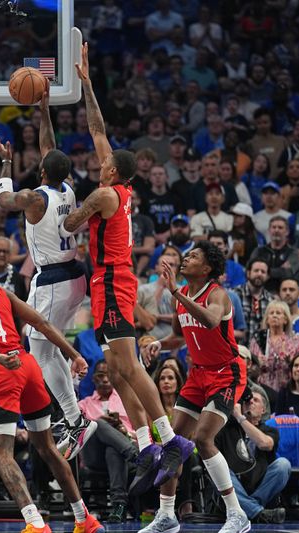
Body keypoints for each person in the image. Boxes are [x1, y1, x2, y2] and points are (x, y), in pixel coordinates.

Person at [63, 42, 194, 500]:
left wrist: (59, 198)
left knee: (129, 365)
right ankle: (146, 446)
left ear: (114, 170)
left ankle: (170, 440)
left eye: (103, 162)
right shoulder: (114, 179)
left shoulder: (104, 195)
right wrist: (87, 84)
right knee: (114, 370)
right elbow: (97, 128)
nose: (98, 160)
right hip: (105, 282)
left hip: (115, 280)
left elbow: (68, 222)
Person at [0, 234, 103, 533]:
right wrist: (73, 354)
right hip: (28, 365)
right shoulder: (1, 293)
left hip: (1, 370)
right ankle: (85, 519)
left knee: (1, 456)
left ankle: (35, 523)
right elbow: (42, 323)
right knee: (48, 448)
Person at [0, 89, 96, 460]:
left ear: (40, 172)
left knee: (39, 348)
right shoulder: (67, 186)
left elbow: (3, 201)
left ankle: (75, 419)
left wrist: (5, 165)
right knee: (45, 348)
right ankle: (74, 418)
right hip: (73, 275)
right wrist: (44, 109)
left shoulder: (35, 198)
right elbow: (49, 148)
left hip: (54, 278)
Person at [144, 241, 251, 533]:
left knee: (203, 439)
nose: (186, 258)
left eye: (193, 256)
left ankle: (237, 514)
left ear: (206, 268)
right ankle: (166, 515)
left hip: (226, 373)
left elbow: (211, 320)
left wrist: (176, 291)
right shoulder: (182, 298)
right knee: (173, 442)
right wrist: (157, 343)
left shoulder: (218, 294)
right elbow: (180, 338)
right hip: (198, 373)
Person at [78, 361, 138, 523]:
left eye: (108, 375)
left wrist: (123, 430)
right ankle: (137, 457)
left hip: (122, 452)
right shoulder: (83, 404)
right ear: (93, 379)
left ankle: (119, 506)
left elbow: (139, 431)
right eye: (100, 375)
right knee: (97, 424)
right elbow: (77, 433)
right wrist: (98, 424)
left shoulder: (126, 401)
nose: (105, 379)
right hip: (93, 456)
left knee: (113, 450)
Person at [221, 390, 290, 524]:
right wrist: (234, 415)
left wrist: (240, 418)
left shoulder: (270, 430)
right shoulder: (227, 429)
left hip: (261, 484)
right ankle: (258, 512)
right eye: (248, 400)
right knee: (219, 470)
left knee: (283, 464)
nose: (251, 401)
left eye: (256, 400)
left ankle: (248, 509)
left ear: (263, 410)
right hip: (235, 484)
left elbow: (265, 444)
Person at [250, 300, 299, 392]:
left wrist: (290, 362)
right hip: (262, 389)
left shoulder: (295, 341)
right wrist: (257, 363)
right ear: (267, 319)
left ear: (286, 319)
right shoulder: (257, 340)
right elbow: (249, 367)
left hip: (286, 389)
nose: (274, 315)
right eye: (271, 313)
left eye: (278, 313)